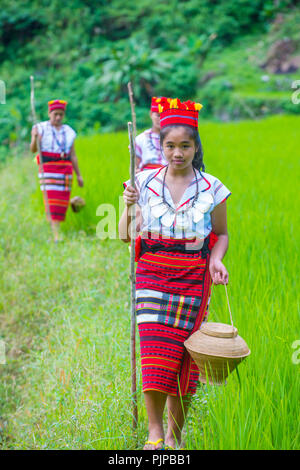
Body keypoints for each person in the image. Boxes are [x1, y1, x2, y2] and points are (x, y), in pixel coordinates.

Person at [119, 97, 231, 450]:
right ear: (160, 144)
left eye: (185, 145)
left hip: (193, 278)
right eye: (170, 145)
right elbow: (124, 234)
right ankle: (155, 433)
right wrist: (126, 205)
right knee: (154, 353)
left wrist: (216, 258)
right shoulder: (143, 183)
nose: (177, 153)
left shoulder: (212, 187)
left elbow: (222, 234)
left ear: (196, 146)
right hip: (152, 274)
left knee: (186, 358)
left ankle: (174, 436)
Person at [30, 99, 84, 242]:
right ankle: (56, 234)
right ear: (49, 113)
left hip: (65, 169)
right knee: (51, 200)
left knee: (62, 200)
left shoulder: (69, 131)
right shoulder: (39, 128)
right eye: (55, 114)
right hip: (48, 169)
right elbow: (33, 149)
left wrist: (79, 175)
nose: (58, 117)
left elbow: (73, 155)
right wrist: (35, 138)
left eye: (61, 114)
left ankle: (57, 228)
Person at [135, 97, 168, 172]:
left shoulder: (174, 138)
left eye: (164, 115)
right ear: (151, 114)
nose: (161, 119)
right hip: (145, 178)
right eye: (158, 115)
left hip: (168, 178)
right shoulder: (140, 139)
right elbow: (135, 167)